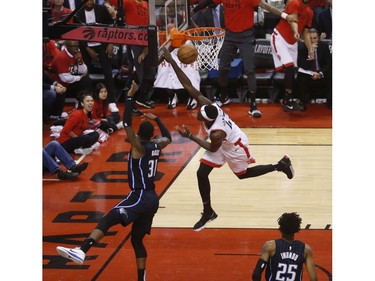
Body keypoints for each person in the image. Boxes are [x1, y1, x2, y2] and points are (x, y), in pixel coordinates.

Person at [163, 47, 295, 231]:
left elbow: (212, 148)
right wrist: (172, 62)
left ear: (207, 119)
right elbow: (189, 87)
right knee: (201, 173)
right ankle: (208, 211)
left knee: (242, 175)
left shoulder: (217, 132)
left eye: (200, 116)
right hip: (223, 143)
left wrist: (190, 136)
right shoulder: (210, 106)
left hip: (235, 145)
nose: (197, 115)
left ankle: (280, 165)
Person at [56, 81, 172, 281]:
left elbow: (126, 124)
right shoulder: (157, 144)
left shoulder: (139, 147)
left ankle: (82, 250)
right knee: (136, 241)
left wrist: (129, 97)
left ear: (138, 135)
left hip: (140, 195)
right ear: (151, 135)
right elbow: (168, 137)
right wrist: (158, 119)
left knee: (107, 219)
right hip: (153, 198)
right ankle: (141, 278)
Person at [192, 0, 297, 118]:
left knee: (250, 69)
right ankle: (223, 96)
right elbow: (209, 2)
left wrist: (285, 16)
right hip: (229, 35)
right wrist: (193, 10)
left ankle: (253, 106)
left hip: (245, 36)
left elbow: (266, 6)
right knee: (222, 67)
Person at [108, 0, 156, 112]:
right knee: (135, 73)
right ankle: (129, 103)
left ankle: (142, 98)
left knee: (150, 73)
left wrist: (147, 48)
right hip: (134, 40)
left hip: (147, 40)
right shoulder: (128, 2)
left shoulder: (146, 4)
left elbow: (151, 23)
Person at [75, 0, 121, 115]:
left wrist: (110, 43)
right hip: (86, 47)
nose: (90, 2)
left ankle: (111, 101)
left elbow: (111, 26)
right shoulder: (78, 12)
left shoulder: (101, 9)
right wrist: (88, 49)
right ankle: (83, 100)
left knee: (108, 73)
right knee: (85, 74)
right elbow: (77, 33)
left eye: (92, 0)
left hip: (102, 45)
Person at [270, 0, 314, 112]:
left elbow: (306, 32)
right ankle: (287, 101)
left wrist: (310, 49)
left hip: (292, 43)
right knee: (289, 67)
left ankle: (288, 99)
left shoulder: (310, 12)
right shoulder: (294, 2)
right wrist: (295, 32)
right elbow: (293, 20)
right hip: (280, 37)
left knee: (293, 70)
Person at [251, 212, 318, 281]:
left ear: (280, 228)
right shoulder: (305, 249)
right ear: (297, 228)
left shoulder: (270, 246)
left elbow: (256, 274)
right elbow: (314, 279)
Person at [47, 40, 94, 118]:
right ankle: (55, 113)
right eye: (73, 47)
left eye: (77, 46)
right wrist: (79, 77)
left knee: (87, 80)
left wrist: (80, 61)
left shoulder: (77, 53)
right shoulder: (62, 56)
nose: (76, 48)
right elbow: (65, 78)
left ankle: (80, 106)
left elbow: (84, 71)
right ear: (67, 46)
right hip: (58, 83)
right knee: (55, 115)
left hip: (69, 82)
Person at [296, 28, 332, 110]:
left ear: (318, 38)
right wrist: (310, 52)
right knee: (301, 76)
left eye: (315, 38)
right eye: (310, 38)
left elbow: (328, 64)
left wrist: (320, 74)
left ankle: (330, 102)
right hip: (308, 72)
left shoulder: (323, 46)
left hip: (320, 72)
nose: (312, 40)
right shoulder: (302, 47)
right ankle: (303, 103)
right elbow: (301, 65)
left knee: (331, 74)